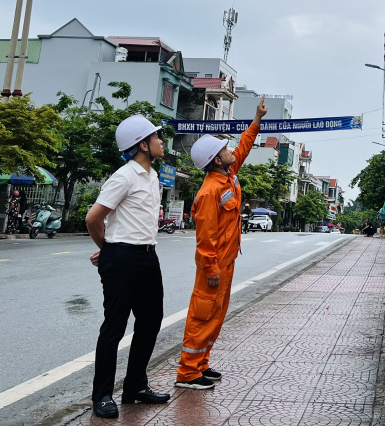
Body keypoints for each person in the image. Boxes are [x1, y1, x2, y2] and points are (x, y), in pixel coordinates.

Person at [176, 97, 268, 389]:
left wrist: (256, 120)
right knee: (202, 316)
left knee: (215, 316)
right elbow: (205, 238)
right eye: (224, 150)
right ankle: (187, 373)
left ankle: (201, 364)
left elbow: (243, 148)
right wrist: (212, 269)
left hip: (226, 262)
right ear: (216, 160)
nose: (231, 151)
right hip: (213, 267)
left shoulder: (228, 177)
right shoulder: (208, 193)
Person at [84, 114, 172, 419]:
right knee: (115, 327)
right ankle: (103, 395)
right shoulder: (124, 176)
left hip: (148, 256)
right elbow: (93, 218)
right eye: (157, 137)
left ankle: (135, 386)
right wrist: (108, 251)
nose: (162, 141)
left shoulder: (152, 176)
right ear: (143, 145)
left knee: (150, 322)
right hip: (122, 258)